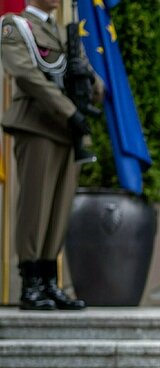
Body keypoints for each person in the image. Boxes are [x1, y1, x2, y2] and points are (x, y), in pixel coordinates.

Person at [1, 0, 101, 310]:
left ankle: (48, 281)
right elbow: (28, 76)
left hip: (68, 132)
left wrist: (91, 86)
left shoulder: (64, 33)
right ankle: (30, 282)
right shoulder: (15, 26)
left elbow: (88, 78)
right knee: (35, 204)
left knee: (59, 208)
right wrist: (69, 112)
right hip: (38, 125)